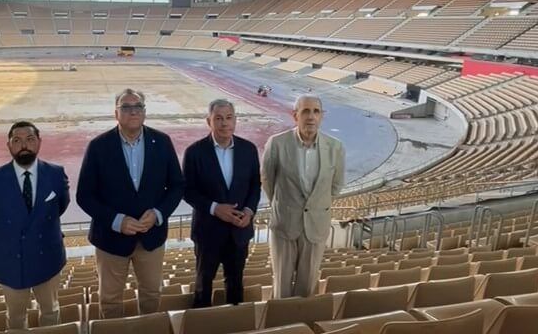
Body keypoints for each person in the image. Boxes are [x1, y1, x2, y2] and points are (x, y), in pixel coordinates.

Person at [76, 88, 185, 318]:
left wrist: (158, 213)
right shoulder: (98, 146)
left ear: (144, 113)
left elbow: (177, 186)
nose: (133, 112)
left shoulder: (162, 142)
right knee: (110, 300)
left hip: (151, 239)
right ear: (116, 113)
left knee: (151, 295)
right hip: (110, 240)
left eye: (138, 107)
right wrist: (117, 221)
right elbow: (84, 195)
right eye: (126, 107)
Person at [0, 121, 70, 328]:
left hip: (48, 256)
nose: (24, 145)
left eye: (30, 139)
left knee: (50, 311)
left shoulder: (56, 175)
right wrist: (14, 229)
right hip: (11, 260)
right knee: (16, 317)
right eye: (17, 140)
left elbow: (59, 207)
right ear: (9, 145)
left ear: (39, 143)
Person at [261, 94, 345, 298]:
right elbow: (267, 180)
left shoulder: (335, 147)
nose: (311, 117)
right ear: (295, 115)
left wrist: (315, 206)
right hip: (285, 224)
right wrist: (284, 205)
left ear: (321, 116)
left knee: (307, 287)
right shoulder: (277, 143)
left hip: (316, 225)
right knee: (281, 285)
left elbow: (335, 186)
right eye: (306, 111)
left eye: (316, 111)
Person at [183, 99, 261, 307]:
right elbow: (187, 191)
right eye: (218, 118)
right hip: (208, 232)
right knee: (203, 286)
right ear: (209, 121)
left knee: (235, 285)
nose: (224, 123)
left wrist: (249, 211)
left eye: (228, 118)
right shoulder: (194, 152)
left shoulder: (249, 149)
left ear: (235, 120)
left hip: (239, 232)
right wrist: (214, 208)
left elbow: (255, 185)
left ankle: (234, 324)